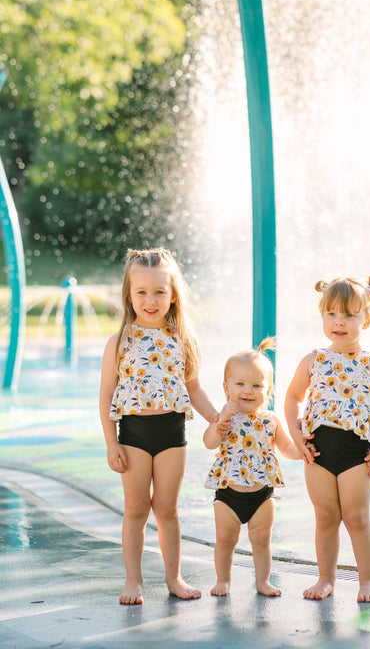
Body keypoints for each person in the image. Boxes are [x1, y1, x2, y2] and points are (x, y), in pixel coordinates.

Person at [99, 247, 219, 605]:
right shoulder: (120, 342)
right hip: (133, 436)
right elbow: (106, 396)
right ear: (129, 295)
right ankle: (133, 581)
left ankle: (174, 578)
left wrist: (216, 418)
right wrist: (111, 443)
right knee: (136, 509)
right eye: (142, 292)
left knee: (167, 509)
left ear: (173, 295)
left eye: (159, 292)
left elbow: (193, 389)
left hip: (172, 435)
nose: (150, 301)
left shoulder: (183, 340)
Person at [284, 276, 370, 603]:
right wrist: (296, 436)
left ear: (367, 319)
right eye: (331, 314)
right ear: (322, 316)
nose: (339, 322)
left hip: (355, 457)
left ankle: (368, 580)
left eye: (349, 315)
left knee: (357, 518)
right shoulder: (313, 360)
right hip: (317, 455)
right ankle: (325, 578)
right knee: (325, 518)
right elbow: (292, 397)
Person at [203, 338, 302, 597]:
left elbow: (287, 448)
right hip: (228, 495)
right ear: (226, 388)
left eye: (257, 385)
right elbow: (209, 442)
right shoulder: (225, 418)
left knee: (262, 540)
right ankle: (223, 579)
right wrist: (218, 425)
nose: (248, 391)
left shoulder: (271, 420)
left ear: (268, 391)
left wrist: (303, 451)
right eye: (240, 384)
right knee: (225, 540)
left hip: (262, 495)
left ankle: (263, 581)